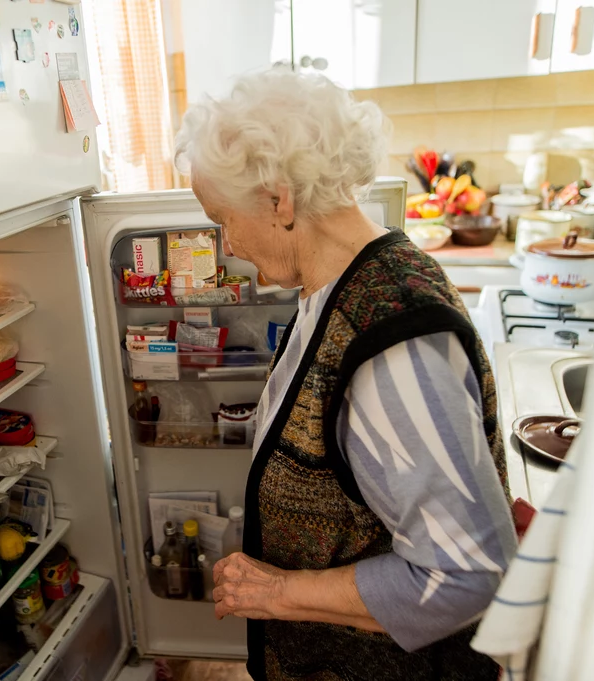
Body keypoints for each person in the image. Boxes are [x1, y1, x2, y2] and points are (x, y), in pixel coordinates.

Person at [174, 71, 517, 681]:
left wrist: (276, 592)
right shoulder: (338, 285)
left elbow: (467, 574)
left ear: (280, 200)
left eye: (223, 219)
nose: (227, 245)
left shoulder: (394, 349)